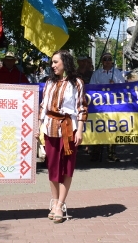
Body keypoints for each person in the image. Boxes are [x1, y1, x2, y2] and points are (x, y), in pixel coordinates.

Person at [38, 50, 87, 223]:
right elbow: (43, 106)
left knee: (66, 166)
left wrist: (80, 130)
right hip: (50, 128)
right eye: (52, 62)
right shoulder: (49, 82)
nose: (52, 65)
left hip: (69, 128)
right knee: (52, 166)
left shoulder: (77, 83)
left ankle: (60, 204)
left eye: (55, 62)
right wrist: (38, 126)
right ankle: (54, 201)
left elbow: (81, 107)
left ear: (65, 62)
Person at [89, 52, 126, 162]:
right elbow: (91, 87)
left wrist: (114, 84)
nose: (107, 61)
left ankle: (112, 153)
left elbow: (123, 87)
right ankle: (96, 152)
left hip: (113, 106)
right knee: (98, 128)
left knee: (112, 128)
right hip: (99, 106)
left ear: (112, 61)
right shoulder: (97, 74)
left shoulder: (117, 73)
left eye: (109, 59)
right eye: (105, 59)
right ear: (102, 61)